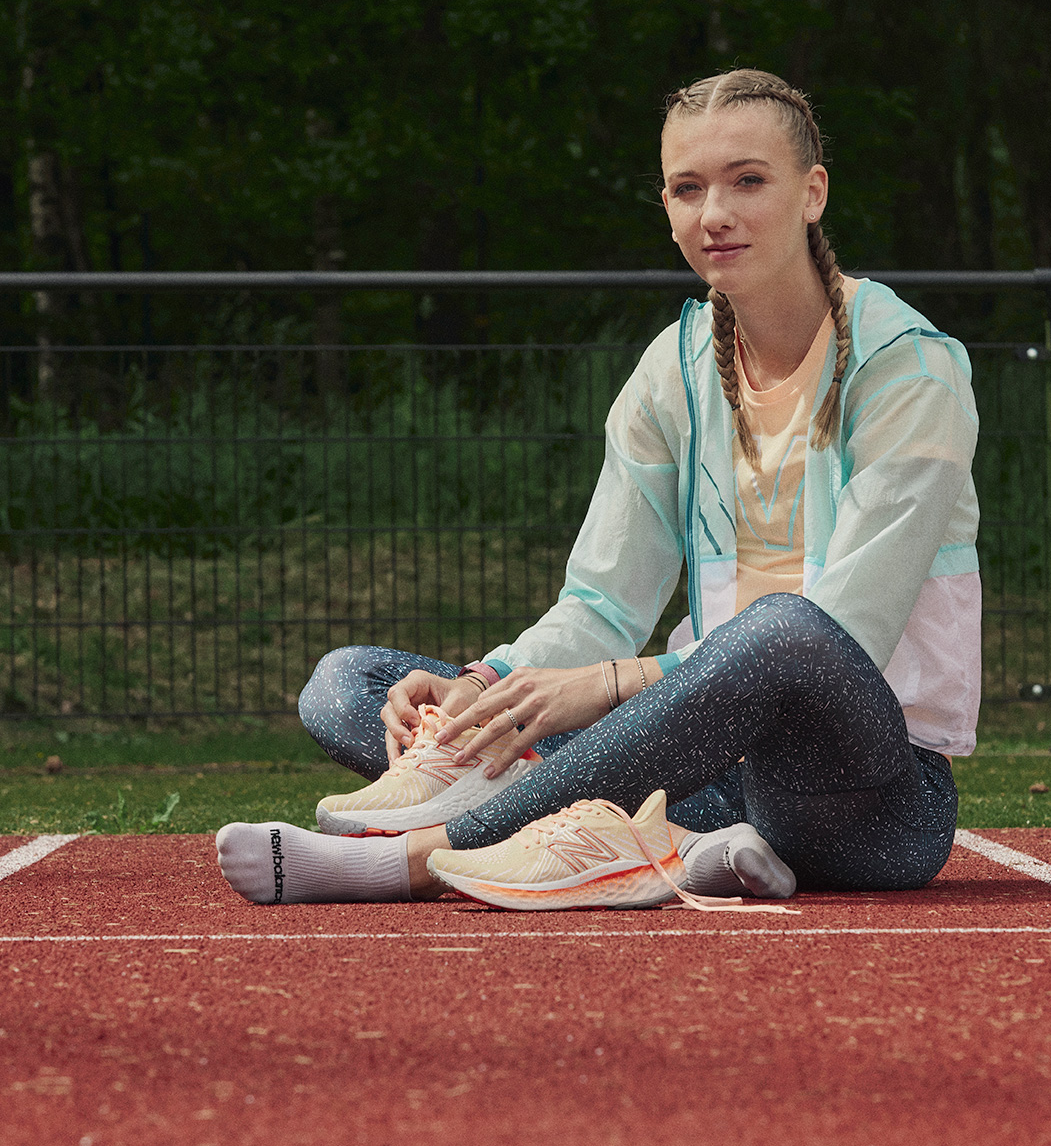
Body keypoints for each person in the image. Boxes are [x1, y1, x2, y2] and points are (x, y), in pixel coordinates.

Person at [216, 68, 980, 910]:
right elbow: (603, 603)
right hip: (694, 770)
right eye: (687, 189)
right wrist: (486, 681)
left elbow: (848, 635)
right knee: (347, 684)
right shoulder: (672, 372)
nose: (714, 213)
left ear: (813, 193)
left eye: (747, 181)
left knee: (788, 631)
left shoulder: (908, 365)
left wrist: (611, 685)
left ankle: (419, 857)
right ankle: (679, 841)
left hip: (866, 802)